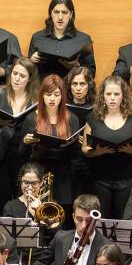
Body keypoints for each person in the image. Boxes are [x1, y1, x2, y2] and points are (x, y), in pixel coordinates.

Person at [81, 75, 132, 218]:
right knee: (101, 218)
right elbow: (85, 148)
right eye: (108, 94)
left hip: (127, 178)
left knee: (122, 218)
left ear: (123, 96)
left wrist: (131, 150)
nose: (112, 98)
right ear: (102, 96)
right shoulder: (93, 117)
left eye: (116, 94)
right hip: (101, 178)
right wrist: (96, 152)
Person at [20, 74, 80, 216]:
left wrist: (73, 144)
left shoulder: (72, 119)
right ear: (42, 96)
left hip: (63, 176)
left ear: (62, 96)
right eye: (48, 94)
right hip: (38, 176)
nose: (52, 99)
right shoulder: (31, 118)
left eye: (56, 94)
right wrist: (25, 142)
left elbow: (76, 157)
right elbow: (21, 154)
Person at [0, 58, 40, 212]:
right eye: (14, 73)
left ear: (30, 78)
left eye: (22, 76)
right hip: (0, 151)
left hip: (23, 151)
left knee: (21, 194)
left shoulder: (36, 99)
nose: (17, 78)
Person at [31, 194, 111, 265]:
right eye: (79, 219)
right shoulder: (60, 238)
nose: (83, 225)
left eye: (88, 221)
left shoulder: (106, 246)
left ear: (96, 220)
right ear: (73, 217)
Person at [28, 0, 96, 79]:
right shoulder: (37, 37)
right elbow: (28, 73)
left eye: (64, 12)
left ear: (71, 15)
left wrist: (78, 67)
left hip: (71, 90)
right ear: (50, 13)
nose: (60, 17)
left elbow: (92, 73)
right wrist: (31, 61)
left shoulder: (84, 39)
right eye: (56, 12)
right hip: (44, 90)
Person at [66, 66, 96, 196]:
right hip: (67, 159)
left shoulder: (96, 108)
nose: (78, 88)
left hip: (89, 160)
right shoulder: (62, 105)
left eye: (82, 84)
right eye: (74, 84)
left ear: (89, 86)